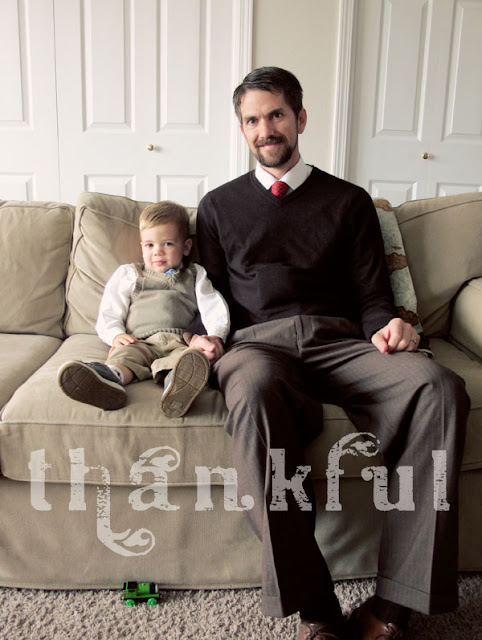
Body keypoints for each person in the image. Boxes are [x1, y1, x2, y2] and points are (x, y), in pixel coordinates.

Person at [186, 68, 470, 640]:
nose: (265, 129)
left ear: (300, 119)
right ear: (241, 129)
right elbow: (207, 293)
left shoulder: (348, 201)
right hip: (257, 345)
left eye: (276, 115)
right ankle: (316, 609)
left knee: (439, 388)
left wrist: (389, 326)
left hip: (340, 341)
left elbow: (372, 293)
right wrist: (201, 336)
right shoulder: (216, 206)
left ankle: (393, 608)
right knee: (253, 393)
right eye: (252, 120)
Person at [58, 201, 229, 418]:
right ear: (141, 247)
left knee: (186, 362)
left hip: (178, 341)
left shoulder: (195, 274)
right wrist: (115, 335)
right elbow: (109, 312)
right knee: (124, 357)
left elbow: (213, 306)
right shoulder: (130, 274)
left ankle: (177, 388)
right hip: (139, 341)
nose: (157, 252)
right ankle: (108, 381)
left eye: (167, 244)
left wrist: (215, 336)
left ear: (186, 247)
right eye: (149, 245)